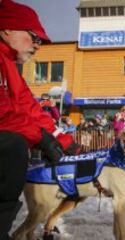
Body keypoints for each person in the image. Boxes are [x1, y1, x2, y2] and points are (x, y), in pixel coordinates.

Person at [0, 1, 79, 239]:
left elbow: (31, 110)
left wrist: (65, 142)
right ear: (7, 29)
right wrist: (38, 138)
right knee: (12, 145)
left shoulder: (10, 68)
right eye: (34, 37)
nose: (37, 46)